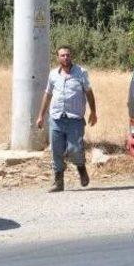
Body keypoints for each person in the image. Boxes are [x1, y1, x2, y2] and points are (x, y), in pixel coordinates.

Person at [36, 46, 97, 192]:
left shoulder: (81, 73)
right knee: (56, 151)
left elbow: (88, 92)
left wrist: (93, 112)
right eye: (62, 55)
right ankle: (58, 182)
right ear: (58, 57)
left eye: (68, 55)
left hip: (74, 119)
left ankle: (81, 168)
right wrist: (41, 116)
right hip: (56, 118)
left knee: (74, 150)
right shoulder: (53, 75)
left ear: (71, 56)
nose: (65, 58)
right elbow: (48, 94)